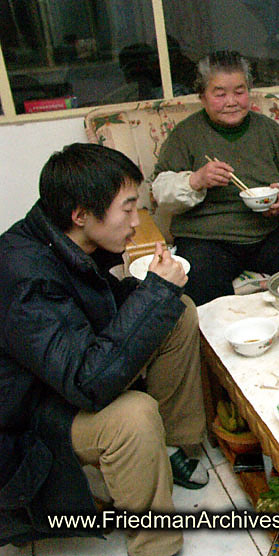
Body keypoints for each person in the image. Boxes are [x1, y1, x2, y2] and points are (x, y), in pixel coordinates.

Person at [0, 143, 208, 556]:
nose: (137, 221)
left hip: (61, 375)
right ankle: (157, 546)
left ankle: (170, 448)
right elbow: (87, 382)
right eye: (127, 208)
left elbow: (97, 310)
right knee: (132, 416)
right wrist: (156, 292)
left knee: (177, 311)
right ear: (81, 215)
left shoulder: (64, 238)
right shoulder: (25, 275)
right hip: (27, 413)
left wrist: (152, 290)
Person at [152, 50, 279, 306]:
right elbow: (161, 190)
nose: (231, 101)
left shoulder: (267, 128)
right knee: (201, 289)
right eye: (220, 94)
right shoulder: (185, 134)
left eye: (239, 92)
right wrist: (195, 180)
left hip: (269, 232)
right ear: (203, 97)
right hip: (207, 240)